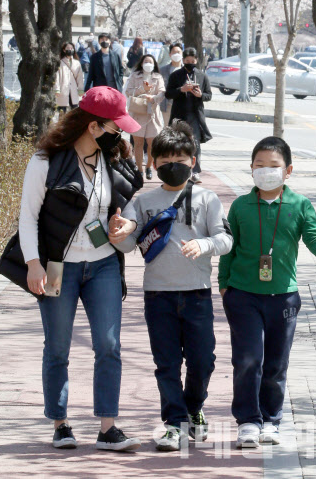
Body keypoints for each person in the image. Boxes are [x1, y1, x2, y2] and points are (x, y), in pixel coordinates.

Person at [0, 86, 144, 452]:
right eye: (115, 127)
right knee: (58, 347)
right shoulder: (46, 161)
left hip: (103, 266)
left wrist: (125, 225)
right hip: (57, 268)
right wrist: (33, 263)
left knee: (109, 345)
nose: (121, 134)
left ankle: (108, 427)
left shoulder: (114, 159)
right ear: (94, 126)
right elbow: (28, 218)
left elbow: (126, 211)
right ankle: (61, 423)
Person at [116, 122, 233, 452]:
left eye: (181, 158)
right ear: (154, 164)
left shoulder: (207, 198)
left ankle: (194, 408)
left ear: (193, 160)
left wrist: (204, 245)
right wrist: (119, 233)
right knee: (166, 363)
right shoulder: (143, 201)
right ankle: (174, 423)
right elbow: (127, 245)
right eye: (165, 160)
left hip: (197, 293)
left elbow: (225, 238)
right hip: (158, 295)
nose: (174, 165)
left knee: (202, 361)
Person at [218, 136, 316, 449]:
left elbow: (314, 242)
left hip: (284, 297)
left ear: (288, 170)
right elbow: (229, 249)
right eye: (259, 166)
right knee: (247, 359)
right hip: (243, 295)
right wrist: (224, 283)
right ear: (251, 169)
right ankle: (247, 420)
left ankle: (271, 419)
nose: (266, 171)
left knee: (275, 363)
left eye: (273, 166)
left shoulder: (300, 205)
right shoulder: (241, 206)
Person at [165, 47, 212, 184]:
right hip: (179, 114)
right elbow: (168, 94)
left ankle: (195, 171)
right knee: (177, 142)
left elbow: (209, 95)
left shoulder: (202, 76)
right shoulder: (176, 75)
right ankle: (178, 168)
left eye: (192, 60)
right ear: (183, 60)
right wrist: (181, 89)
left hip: (195, 115)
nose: (190, 63)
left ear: (196, 60)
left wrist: (200, 95)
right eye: (187, 60)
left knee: (195, 143)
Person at [124, 54, 166, 180]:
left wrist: (153, 98)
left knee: (152, 143)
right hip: (138, 112)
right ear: (142, 63)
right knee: (138, 143)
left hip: (152, 113)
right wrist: (142, 89)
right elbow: (128, 91)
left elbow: (162, 92)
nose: (148, 63)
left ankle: (149, 166)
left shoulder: (158, 77)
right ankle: (139, 169)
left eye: (151, 62)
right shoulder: (134, 76)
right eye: (146, 61)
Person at [55, 42, 84, 112]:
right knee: (62, 111)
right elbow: (57, 77)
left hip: (74, 89)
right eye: (68, 48)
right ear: (64, 50)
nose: (70, 50)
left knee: (75, 110)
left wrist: (80, 90)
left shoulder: (77, 63)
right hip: (63, 90)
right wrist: (57, 89)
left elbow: (80, 78)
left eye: (71, 48)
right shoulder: (60, 62)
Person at [160, 42, 183, 124]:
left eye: (178, 52)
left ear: (182, 54)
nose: (176, 54)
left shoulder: (186, 71)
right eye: (174, 52)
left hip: (182, 105)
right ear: (170, 54)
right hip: (167, 105)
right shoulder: (163, 70)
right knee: (167, 128)